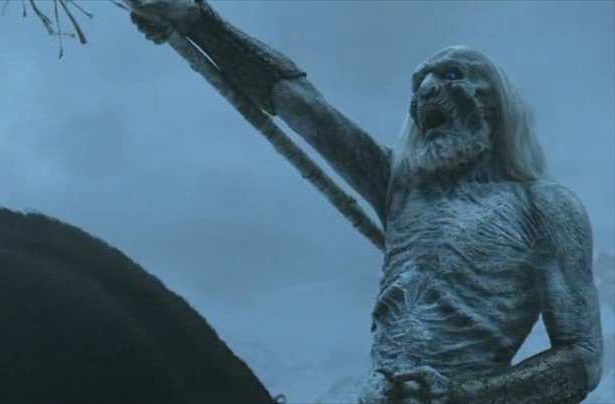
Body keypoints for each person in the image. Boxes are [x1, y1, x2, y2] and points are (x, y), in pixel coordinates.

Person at [128, 1, 603, 402]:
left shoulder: (545, 207)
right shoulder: (403, 188)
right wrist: (197, 21)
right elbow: (301, 104)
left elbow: (582, 359)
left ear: (496, 101)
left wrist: (459, 395)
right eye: (420, 83)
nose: (428, 90)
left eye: (452, 75)